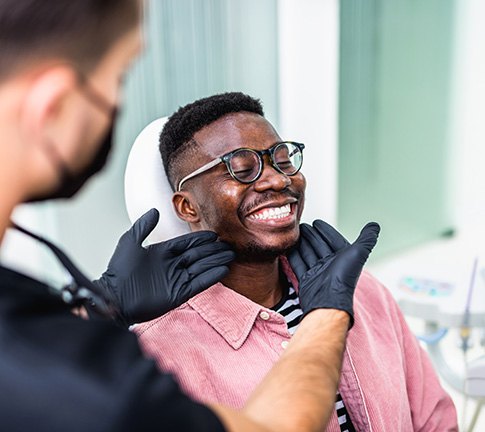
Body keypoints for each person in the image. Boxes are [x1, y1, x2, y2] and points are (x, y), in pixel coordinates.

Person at [0, 1, 380, 431]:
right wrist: (329, 314)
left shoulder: (369, 294)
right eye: (119, 76)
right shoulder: (146, 358)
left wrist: (98, 307)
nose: (274, 180)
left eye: (280, 158)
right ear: (53, 105)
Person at [133, 92, 459, 431]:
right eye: (242, 168)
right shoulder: (158, 356)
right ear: (187, 207)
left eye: (283, 160)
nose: (278, 179)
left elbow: (435, 420)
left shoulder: (360, 291)